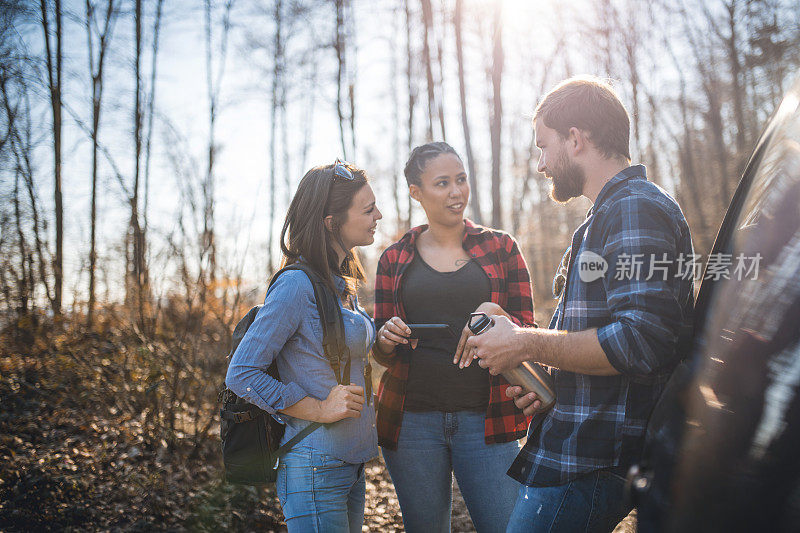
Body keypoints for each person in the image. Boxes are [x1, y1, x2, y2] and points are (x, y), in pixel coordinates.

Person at [465, 77, 695, 532]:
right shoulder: (608, 214)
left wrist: (526, 344)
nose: (540, 164)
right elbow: (608, 335)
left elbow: (641, 342)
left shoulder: (634, 209)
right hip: (579, 445)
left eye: (544, 146)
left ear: (576, 139)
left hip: (593, 458)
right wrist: (545, 382)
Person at [371, 142, 534, 533]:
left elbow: (527, 331)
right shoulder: (393, 259)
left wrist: (495, 312)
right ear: (416, 192)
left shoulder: (502, 247)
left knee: (506, 526)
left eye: (461, 180)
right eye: (442, 183)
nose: (456, 191)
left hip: (487, 419)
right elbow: (378, 351)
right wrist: (386, 338)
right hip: (411, 424)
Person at [225, 161, 383, 533]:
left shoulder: (341, 284)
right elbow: (242, 372)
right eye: (367, 209)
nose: (378, 215)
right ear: (331, 222)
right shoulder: (296, 285)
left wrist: (383, 335)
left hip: (350, 463)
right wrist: (319, 408)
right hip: (314, 467)